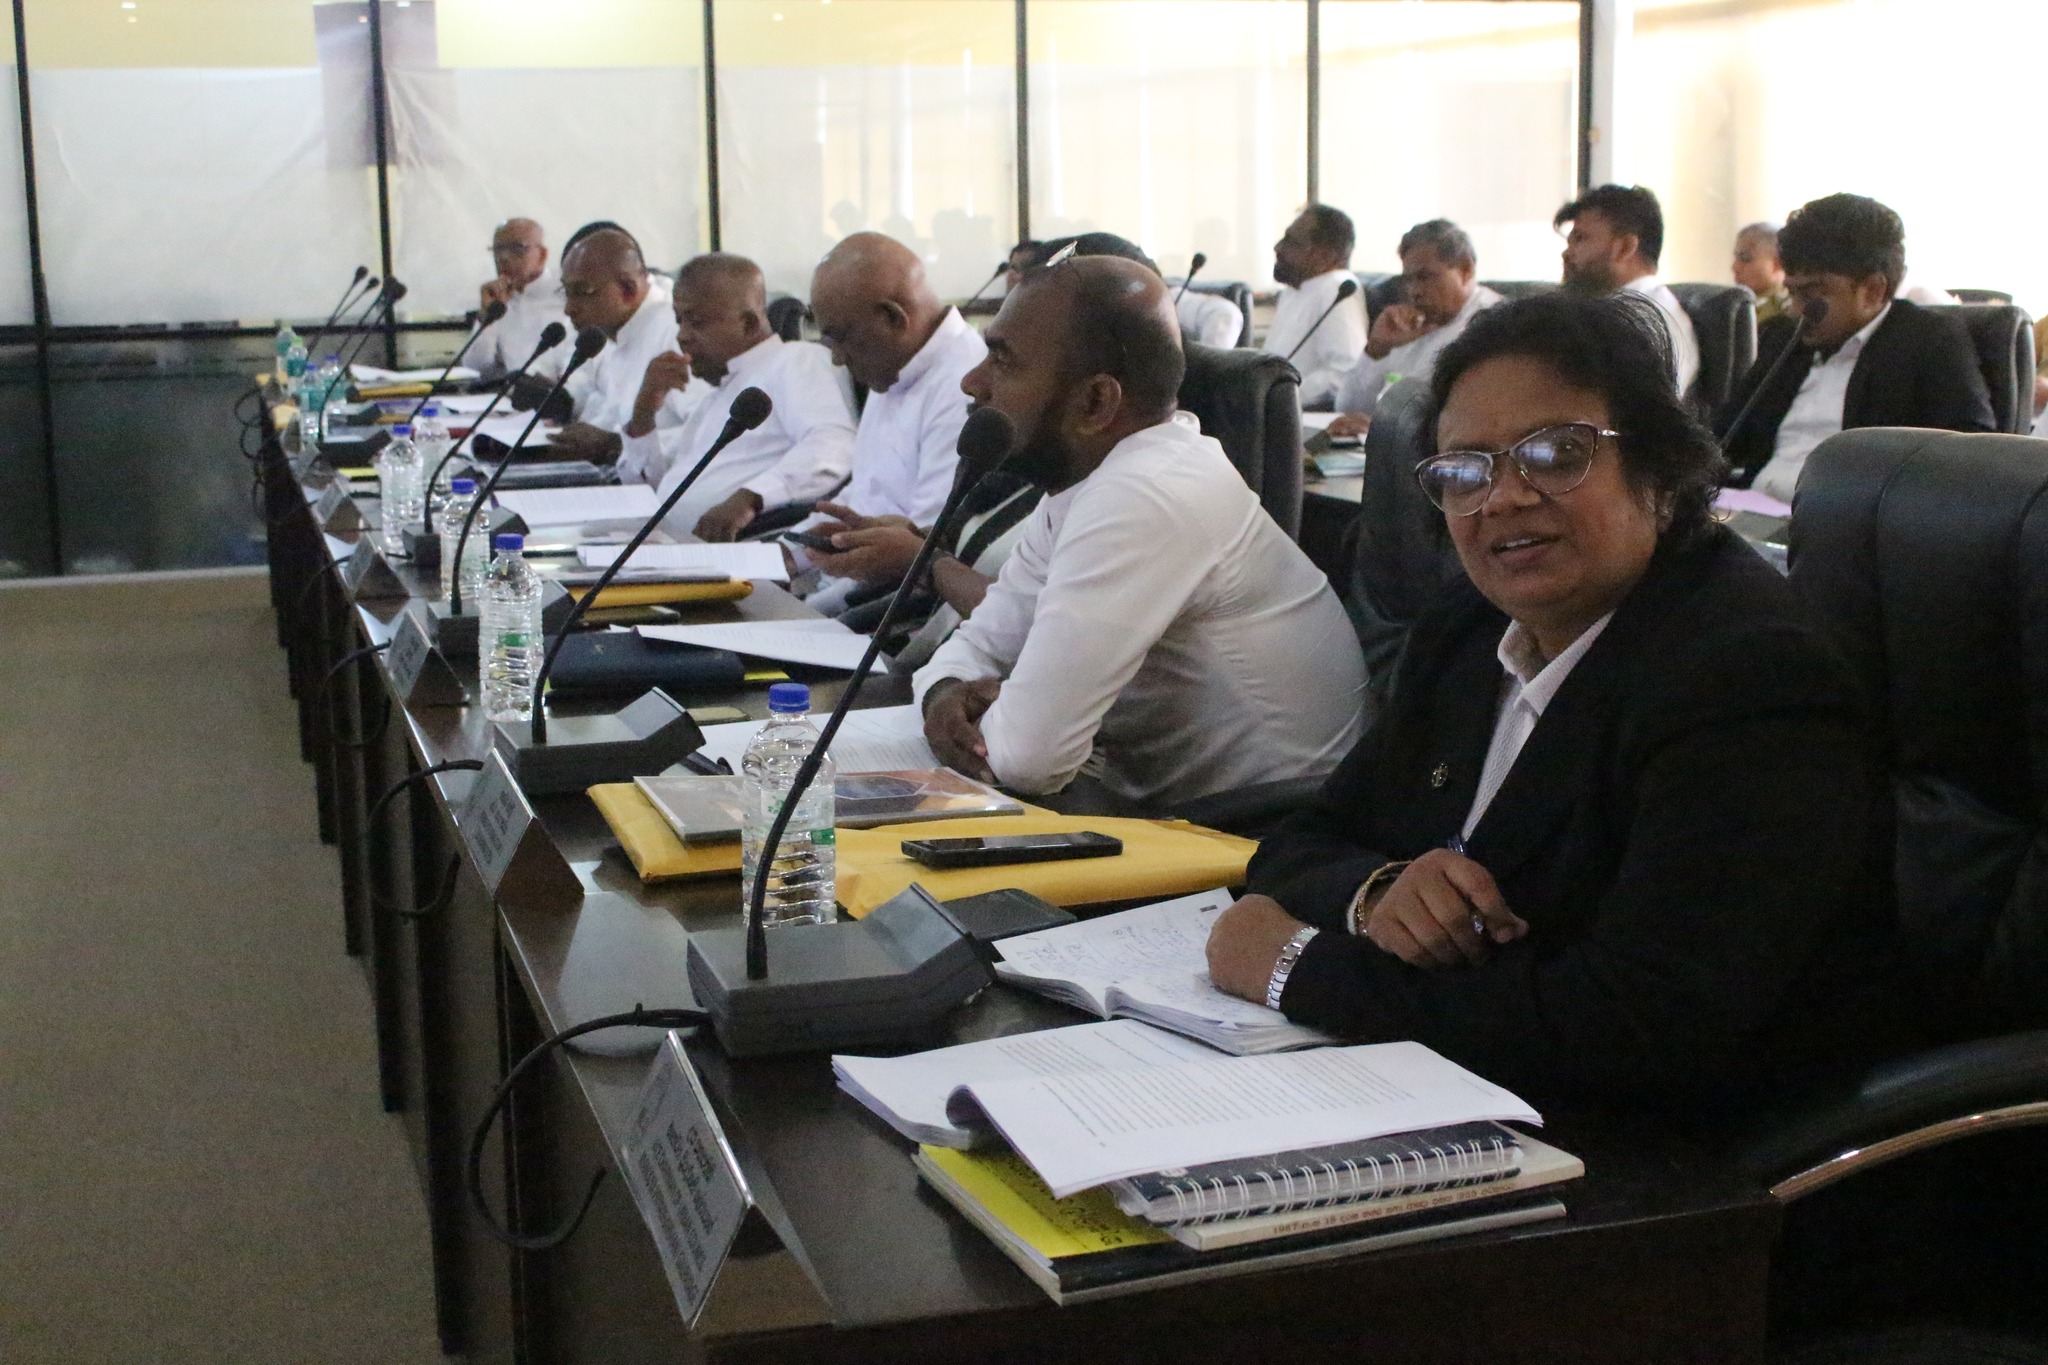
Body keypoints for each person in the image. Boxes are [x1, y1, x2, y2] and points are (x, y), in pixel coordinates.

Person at [1203, 291, 1895, 1111]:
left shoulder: (1750, 674)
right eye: (1466, 469)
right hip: (1448, 1085)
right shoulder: (1469, 629)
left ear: (1658, 468)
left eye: (1556, 453)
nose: (1503, 497)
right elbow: (1307, 838)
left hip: (1668, 1146)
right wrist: (1379, 892)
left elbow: (1639, 1026)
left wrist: (1296, 968)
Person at [913, 256, 1366, 807]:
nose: (972, 382)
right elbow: (980, 644)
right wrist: (945, 694)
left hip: (1259, 829)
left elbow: (1028, 758)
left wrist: (996, 709)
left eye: (1003, 361)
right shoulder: (1088, 484)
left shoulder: (1144, 494)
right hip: (1155, 805)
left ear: (1095, 402)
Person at [1722, 193, 1995, 499]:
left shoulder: (1930, 342)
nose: (1798, 311)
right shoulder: (1784, 339)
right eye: (1793, 293)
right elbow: (1726, 438)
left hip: (1853, 519)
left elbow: (1971, 457)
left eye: (1812, 294)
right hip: (1757, 510)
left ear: (1873, 291)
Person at [798, 232, 988, 609]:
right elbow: (865, 491)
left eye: (840, 337)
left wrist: (804, 612)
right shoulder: (893, 363)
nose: (837, 359)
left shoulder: (965, 387)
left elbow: (921, 554)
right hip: (833, 591)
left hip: (878, 611)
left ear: (892, 318)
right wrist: (789, 554)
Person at [614, 253, 856, 542]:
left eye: (696, 323)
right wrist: (643, 414)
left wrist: (751, 497)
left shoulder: (796, 361)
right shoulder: (716, 396)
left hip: (741, 550)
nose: (682, 336)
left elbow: (833, 445)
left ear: (749, 324)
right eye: (679, 321)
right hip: (668, 543)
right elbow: (652, 485)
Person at [1328, 219, 1502, 437]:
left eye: (1425, 277)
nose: (1414, 291)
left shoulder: (1495, 325)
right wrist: (1376, 350)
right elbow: (1347, 408)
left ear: (1466, 270)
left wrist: (1387, 427)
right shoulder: (1408, 324)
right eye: (1408, 280)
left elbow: (1473, 419)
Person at [543, 227, 689, 463]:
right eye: (566, 292)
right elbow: (617, 416)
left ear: (628, 289)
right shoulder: (617, 334)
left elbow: (708, 433)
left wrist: (616, 444)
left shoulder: (674, 334)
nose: (569, 309)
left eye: (582, 292)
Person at [1555, 184, 1700, 396]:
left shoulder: (1650, 321)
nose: (1567, 254)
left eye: (1580, 239)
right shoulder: (1608, 313)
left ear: (1625, 248)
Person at [1264, 205, 1367, 409]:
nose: (1278, 248)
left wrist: (1281, 396)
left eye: (1291, 242)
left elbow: (1344, 372)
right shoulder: (1296, 288)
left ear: (1327, 255)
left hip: (1304, 414)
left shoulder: (1336, 288)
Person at [475, 217, 571, 381]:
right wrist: (486, 316)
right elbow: (477, 366)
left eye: (517, 248)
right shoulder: (499, 297)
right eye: (498, 250)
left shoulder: (567, 292)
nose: (504, 257)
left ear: (542, 255)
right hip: (509, 392)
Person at [1731, 222, 1790, 327]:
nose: (1735, 267)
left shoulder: (1788, 310)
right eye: (1736, 258)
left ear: (1777, 264)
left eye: (1745, 258)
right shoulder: (1735, 306)